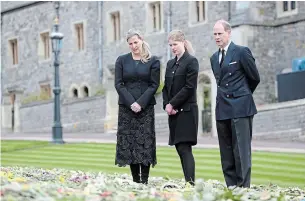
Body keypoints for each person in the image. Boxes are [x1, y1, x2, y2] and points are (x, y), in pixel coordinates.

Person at [210, 19, 260, 188]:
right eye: (215, 34)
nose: (217, 37)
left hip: (240, 107)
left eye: (220, 33)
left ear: (228, 33)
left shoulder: (241, 52)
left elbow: (254, 78)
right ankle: (231, 187)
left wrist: (242, 96)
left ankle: (243, 189)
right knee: (226, 152)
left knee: (241, 152)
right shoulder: (213, 58)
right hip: (222, 108)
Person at [114, 29, 160, 184]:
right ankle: (135, 181)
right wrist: (131, 103)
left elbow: (154, 85)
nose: (133, 46)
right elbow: (119, 84)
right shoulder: (121, 60)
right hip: (126, 109)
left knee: (144, 143)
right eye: (130, 43)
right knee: (131, 144)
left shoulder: (153, 61)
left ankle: (145, 181)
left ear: (142, 40)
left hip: (145, 109)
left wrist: (140, 103)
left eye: (135, 42)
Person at [162, 30, 199, 186]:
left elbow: (189, 87)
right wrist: (166, 105)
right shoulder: (170, 64)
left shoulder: (191, 61)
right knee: (179, 147)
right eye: (170, 45)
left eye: (175, 44)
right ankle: (188, 183)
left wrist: (173, 104)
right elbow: (165, 88)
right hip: (173, 112)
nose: (173, 48)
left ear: (183, 42)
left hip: (187, 111)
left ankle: (190, 184)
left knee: (184, 147)